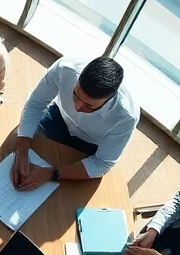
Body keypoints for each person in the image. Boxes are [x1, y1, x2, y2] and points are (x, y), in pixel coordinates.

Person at [11, 56, 138, 189]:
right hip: (59, 117)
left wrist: (52, 173)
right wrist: (22, 150)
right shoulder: (65, 69)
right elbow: (35, 104)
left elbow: (102, 163)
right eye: (75, 95)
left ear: (109, 98)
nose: (77, 108)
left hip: (91, 144)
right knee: (17, 143)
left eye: (89, 106)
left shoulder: (126, 116)